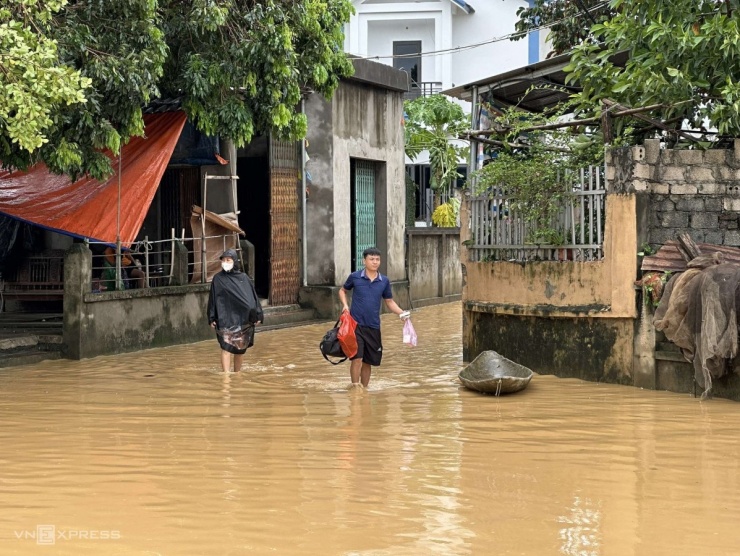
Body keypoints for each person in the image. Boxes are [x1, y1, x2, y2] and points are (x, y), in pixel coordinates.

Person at [338, 247, 409, 388]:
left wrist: (402, 313)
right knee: (357, 358)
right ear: (364, 261)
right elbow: (342, 290)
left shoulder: (384, 281)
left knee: (368, 361)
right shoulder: (355, 277)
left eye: (377, 259)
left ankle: (364, 389)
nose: (375, 262)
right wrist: (345, 305)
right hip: (355, 325)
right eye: (371, 259)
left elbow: (389, 301)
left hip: (373, 326)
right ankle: (355, 388)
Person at [208, 248, 263, 373]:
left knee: (239, 349)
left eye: (228, 260)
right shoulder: (218, 279)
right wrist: (211, 317)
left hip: (242, 319)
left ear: (235, 261)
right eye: (223, 260)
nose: (225, 262)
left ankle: (237, 374)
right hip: (224, 318)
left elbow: (252, 298)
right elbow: (212, 299)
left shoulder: (243, 278)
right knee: (225, 348)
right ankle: (226, 377)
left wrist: (258, 315)